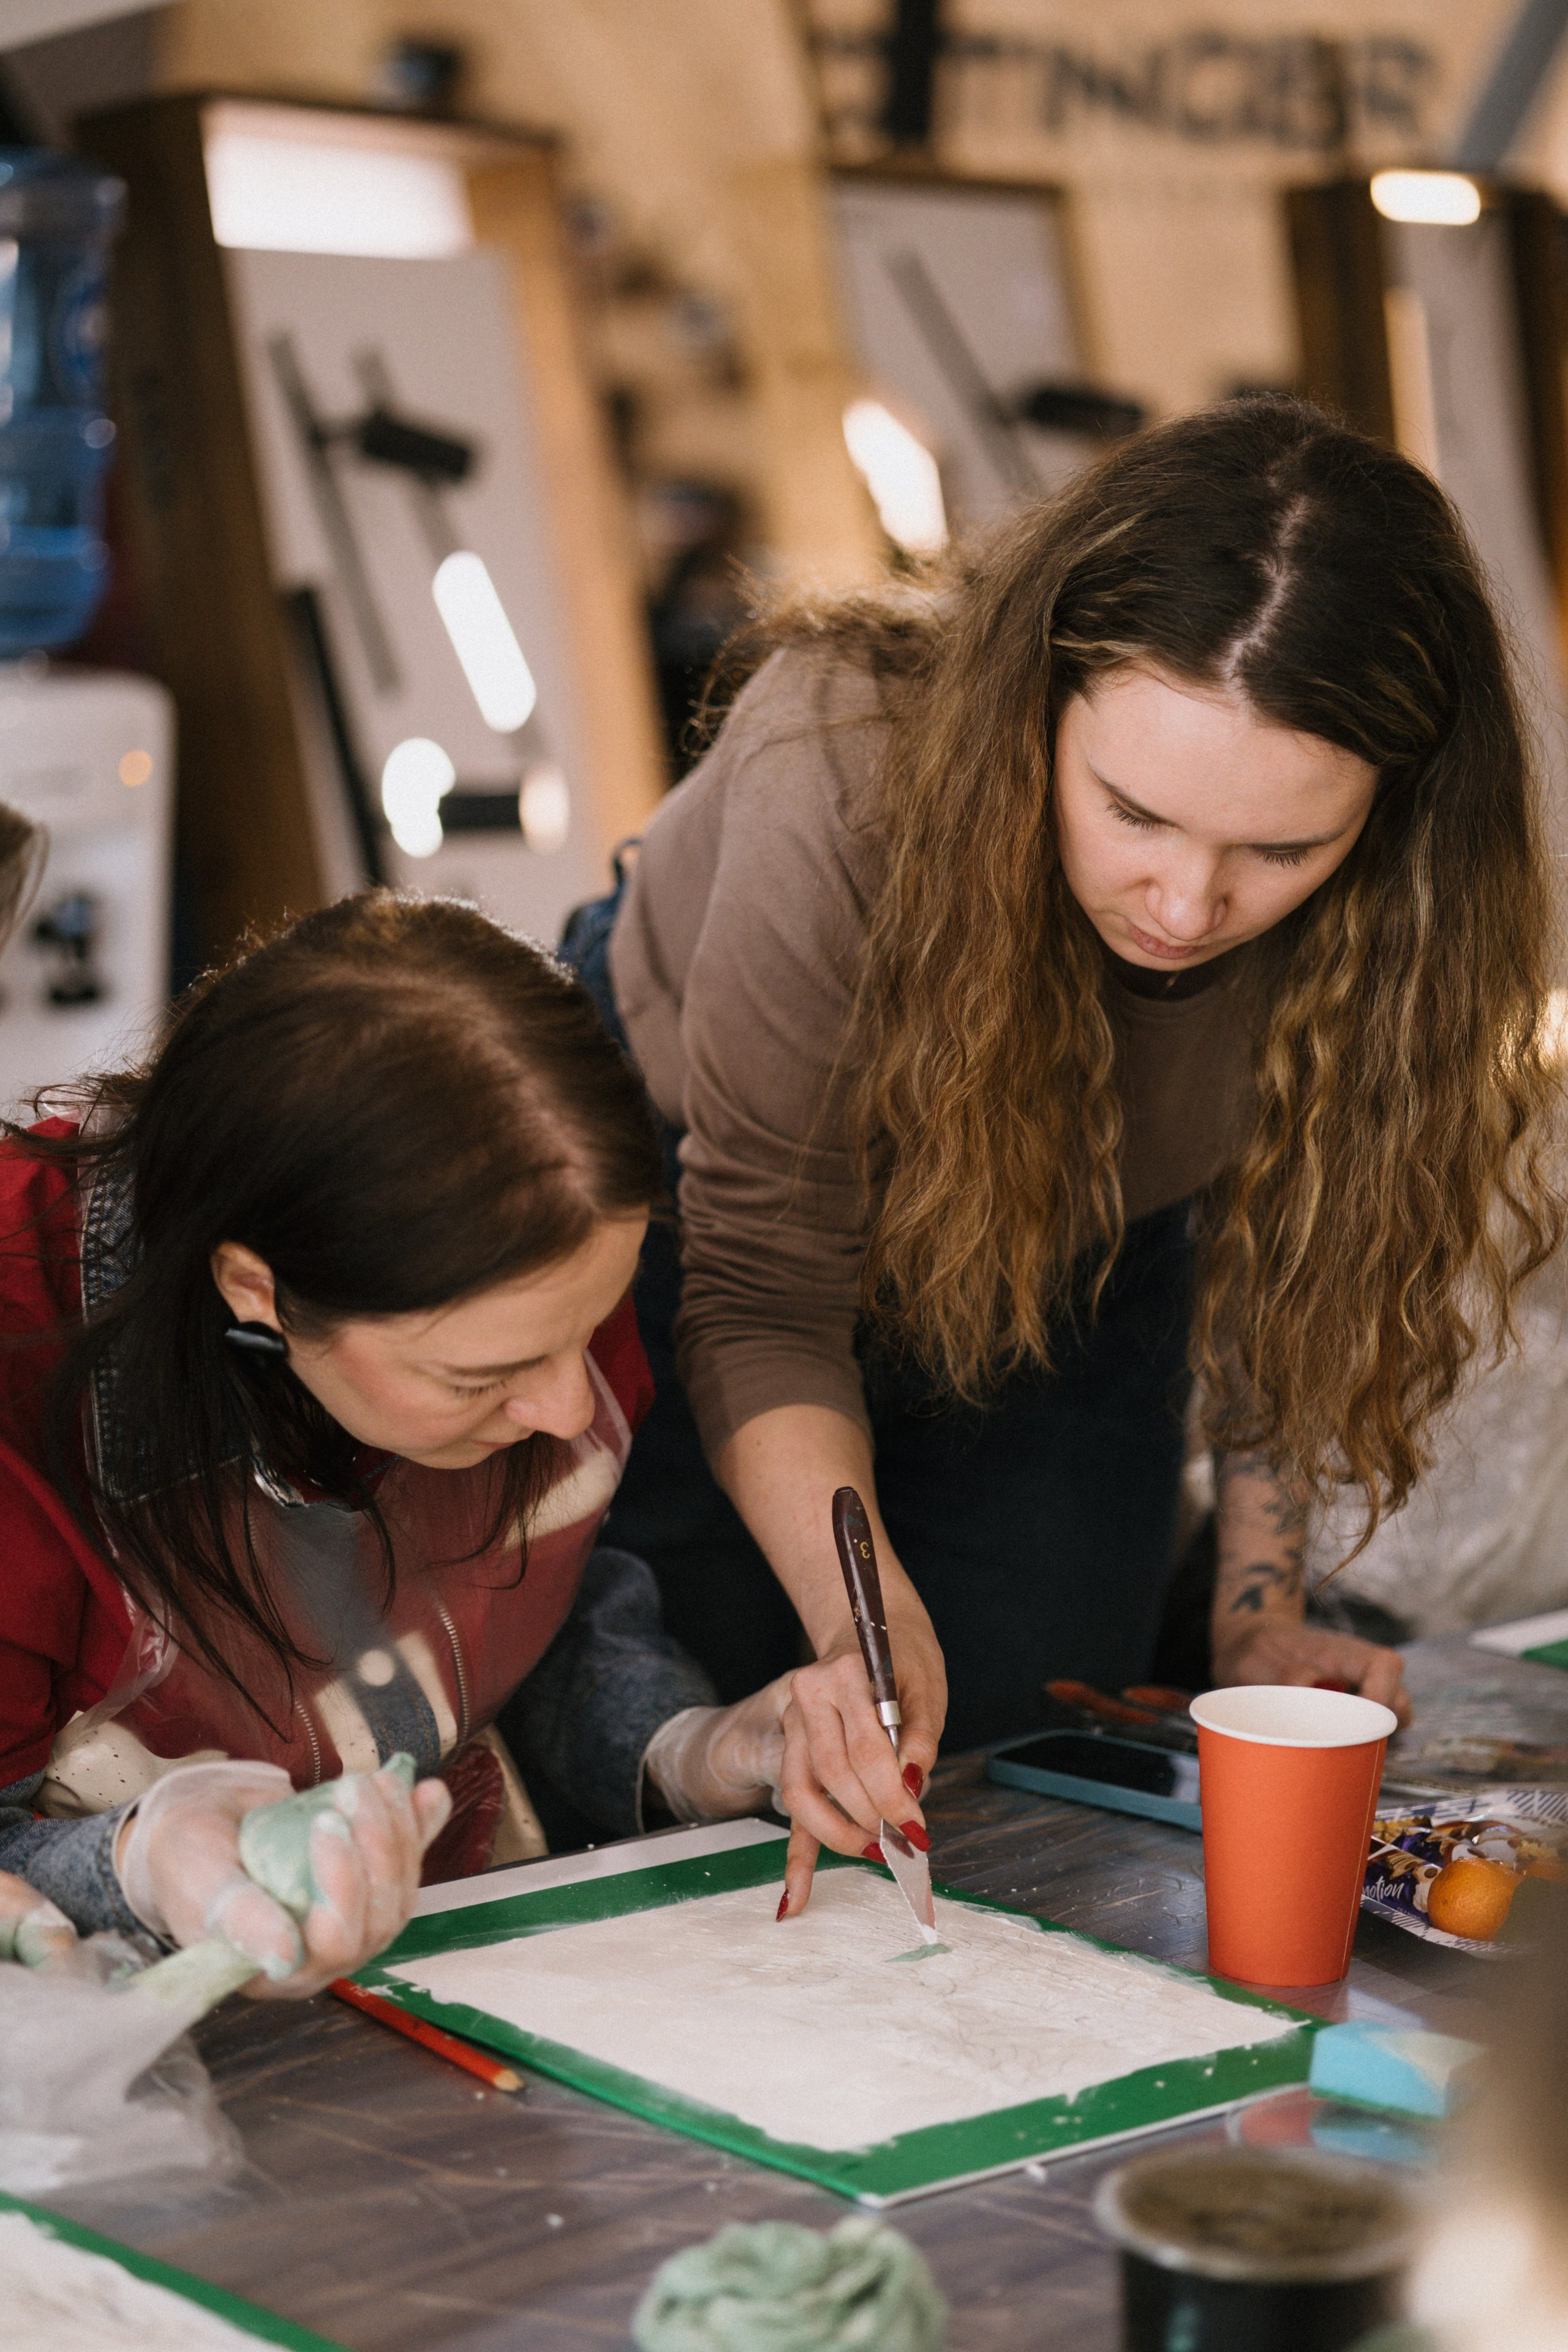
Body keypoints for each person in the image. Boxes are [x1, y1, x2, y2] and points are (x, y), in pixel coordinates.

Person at [578, 395, 1563, 1915]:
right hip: (698, 1202)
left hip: (1082, 1221)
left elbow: (1292, 1246)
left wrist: (1255, 1617)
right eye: (1132, 814)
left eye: (1279, 852)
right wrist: (857, 1617)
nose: (1183, 907)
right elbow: (763, 1289)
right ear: (1035, 704)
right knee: (748, 1754)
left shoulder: (1406, 899)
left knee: (1020, 1743)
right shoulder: (841, 757)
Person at [0, 893, 802, 1992]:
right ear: (256, 1292)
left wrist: (690, 1746)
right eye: (479, 1377)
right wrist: (133, 1865)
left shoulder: (540, 1253)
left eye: (587, 1330)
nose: (571, 1409)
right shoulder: (23, 1405)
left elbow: (510, 1603)